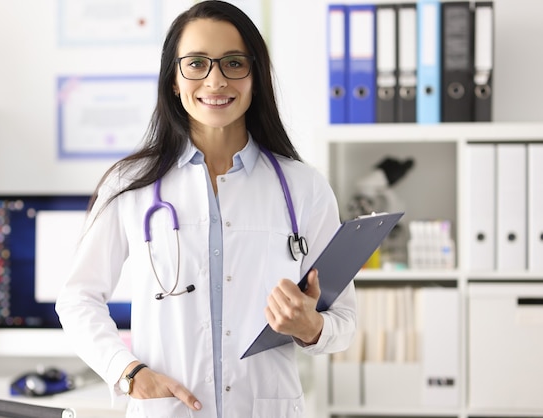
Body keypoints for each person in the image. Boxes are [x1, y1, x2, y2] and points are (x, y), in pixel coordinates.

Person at [55, 1, 356, 417]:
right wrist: (125, 370)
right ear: (174, 81)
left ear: (255, 77)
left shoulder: (304, 188)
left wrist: (312, 327)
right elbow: (78, 299)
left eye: (233, 63)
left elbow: (344, 320)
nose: (215, 80)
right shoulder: (129, 185)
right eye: (196, 63)